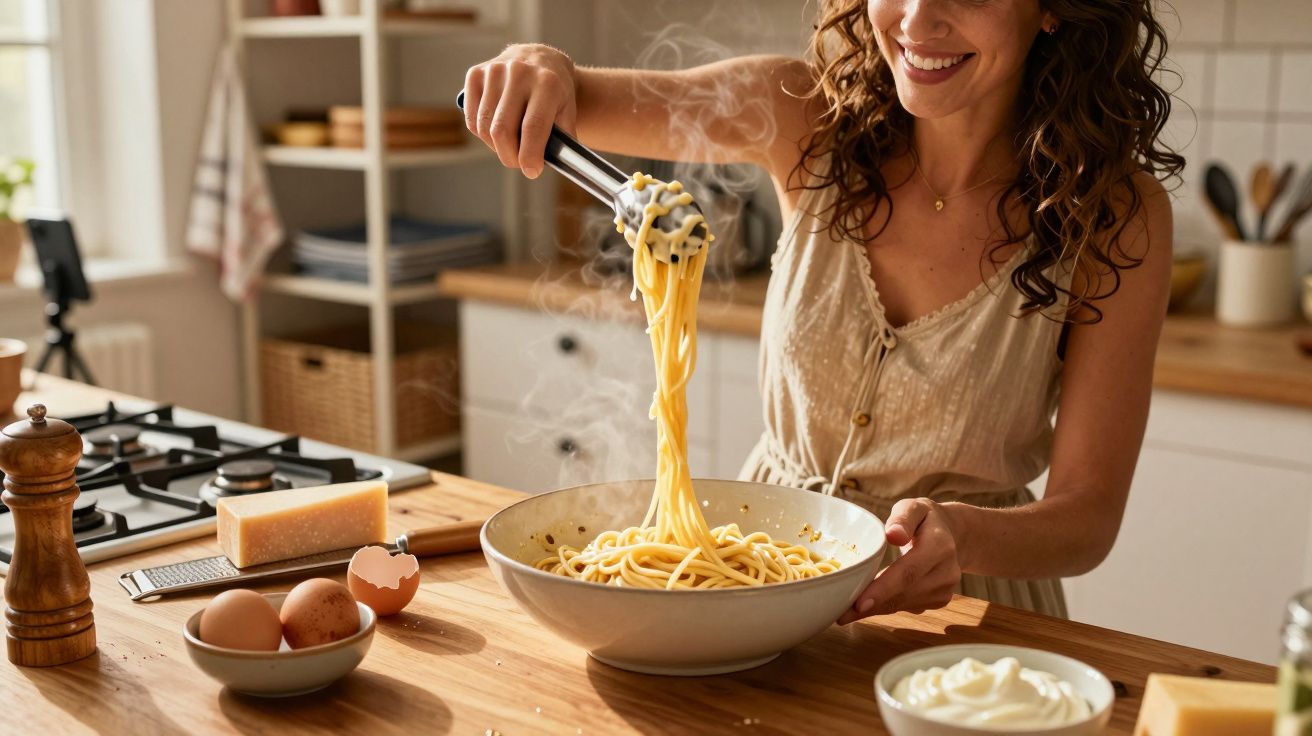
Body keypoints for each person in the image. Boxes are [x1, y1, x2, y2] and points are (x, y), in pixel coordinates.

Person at [461, 0, 1181, 621]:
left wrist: (964, 537)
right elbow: (574, 97)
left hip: (973, 617)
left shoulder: (1116, 214)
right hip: (766, 584)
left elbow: (1088, 516)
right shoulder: (801, 115)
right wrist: (539, 66)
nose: (919, 19)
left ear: (1052, 6)